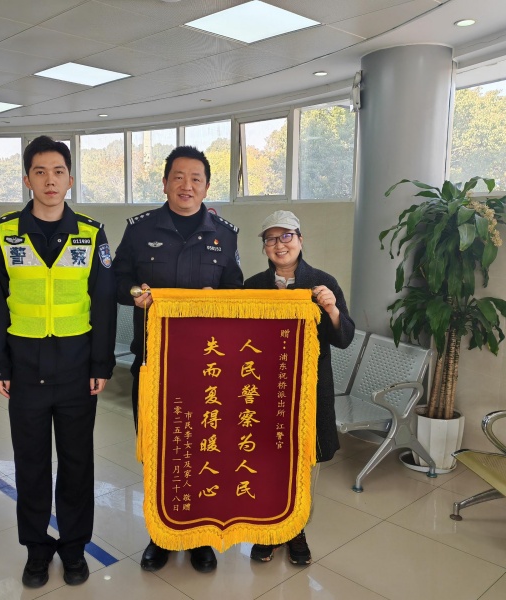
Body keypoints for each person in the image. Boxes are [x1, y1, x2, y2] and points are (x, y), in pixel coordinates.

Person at [0, 136, 116, 588]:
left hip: (78, 369)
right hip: (25, 369)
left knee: (77, 464)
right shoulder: (4, 233)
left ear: (70, 179)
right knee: (31, 464)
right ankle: (37, 550)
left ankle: (74, 549)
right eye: (40, 172)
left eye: (58, 172)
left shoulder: (91, 234)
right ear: (27, 180)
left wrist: (101, 365)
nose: (50, 180)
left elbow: (103, 304)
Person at [113, 145, 244, 573]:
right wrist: (138, 294)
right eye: (178, 177)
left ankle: (201, 536)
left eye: (196, 179)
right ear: (165, 182)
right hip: (154, 361)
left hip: (208, 367)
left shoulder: (225, 234)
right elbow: (117, 281)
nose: (187, 186)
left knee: (205, 447)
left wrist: (216, 299)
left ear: (206, 187)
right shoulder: (139, 230)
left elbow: (237, 293)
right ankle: (161, 534)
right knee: (158, 448)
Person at [243, 210, 355, 566]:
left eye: (287, 236)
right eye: (271, 239)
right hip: (264, 391)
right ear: (264, 248)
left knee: (302, 463)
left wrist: (332, 309)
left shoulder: (322, 283)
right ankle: (268, 529)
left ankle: (296, 531)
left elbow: (344, 338)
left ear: (300, 240)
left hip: (308, 392)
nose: (280, 245)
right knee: (265, 462)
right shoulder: (252, 287)